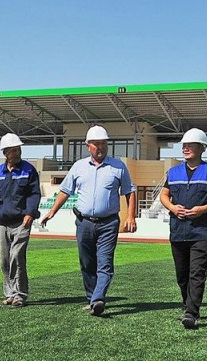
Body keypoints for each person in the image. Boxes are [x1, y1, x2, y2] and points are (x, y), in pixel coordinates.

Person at [39, 125, 137, 317]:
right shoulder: (78, 166)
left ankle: (98, 298)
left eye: (103, 144)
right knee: (87, 263)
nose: (100, 147)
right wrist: (52, 212)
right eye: (96, 144)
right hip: (83, 223)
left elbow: (130, 191)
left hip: (109, 223)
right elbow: (66, 190)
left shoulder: (118, 166)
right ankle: (92, 298)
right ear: (88, 146)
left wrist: (131, 216)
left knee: (105, 263)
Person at [158, 128, 207, 329]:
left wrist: (202, 210)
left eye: (190, 145)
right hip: (178, 231)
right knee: (182, 275)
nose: (185, 148)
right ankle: (187, 303)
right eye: (184, 145)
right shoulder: (173, 172)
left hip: (202, 232)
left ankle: (191, 312)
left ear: (202, 148)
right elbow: (164, 195)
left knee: (197, 273)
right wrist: (172, 207)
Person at [0, 133, 42, 307]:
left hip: (22, 221)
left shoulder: (29, 170)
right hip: (3, 223)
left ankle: (20, 294)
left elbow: (34, 194)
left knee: (17, 257)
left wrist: (30, 212)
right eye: (14, 149)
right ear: (6, 153)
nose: (18, 152)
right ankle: (10, 293)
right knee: (4, 260)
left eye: (19, 148)